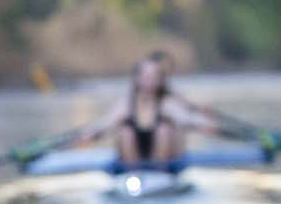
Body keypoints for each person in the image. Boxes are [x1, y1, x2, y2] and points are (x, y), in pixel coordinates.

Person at [78, 51, 220, 167]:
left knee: (163, 131)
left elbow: (187, 118)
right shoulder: (126, 104)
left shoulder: (166, 103)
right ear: (137, 79)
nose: (149, 81)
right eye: (146, 76)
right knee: (125, 132)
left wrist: (204, 124)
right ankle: (133, 171)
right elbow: (106, 122)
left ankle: (159, 171)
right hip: (134, 160)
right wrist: (90, 134)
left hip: (164, 160)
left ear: (160, 80)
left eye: (153, 77)